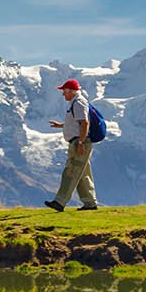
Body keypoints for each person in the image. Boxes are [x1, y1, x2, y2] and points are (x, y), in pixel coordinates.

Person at [45, 78, 97, 211]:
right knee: (82, 174)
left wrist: (80, 142)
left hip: (80, 142)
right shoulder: (76, 103)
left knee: (71, 172)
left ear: (71, 91)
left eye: (64, 91)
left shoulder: (78, 103)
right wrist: (61, 126)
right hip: (79, 141)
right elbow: (77, 122)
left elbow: (84, 123)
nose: (63, 94)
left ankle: (60, 202)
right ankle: (90, 203)